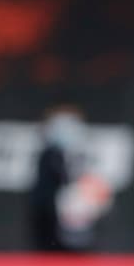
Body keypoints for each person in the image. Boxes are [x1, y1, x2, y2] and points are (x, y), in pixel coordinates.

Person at [28, 105, 111, 253]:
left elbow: (99, 193)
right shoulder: (48, 158)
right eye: (60, 124)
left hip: (83, 236)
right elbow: (42, 201)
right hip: (50, 238)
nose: (66, 129)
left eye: (70, 123)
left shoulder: (84, 157)